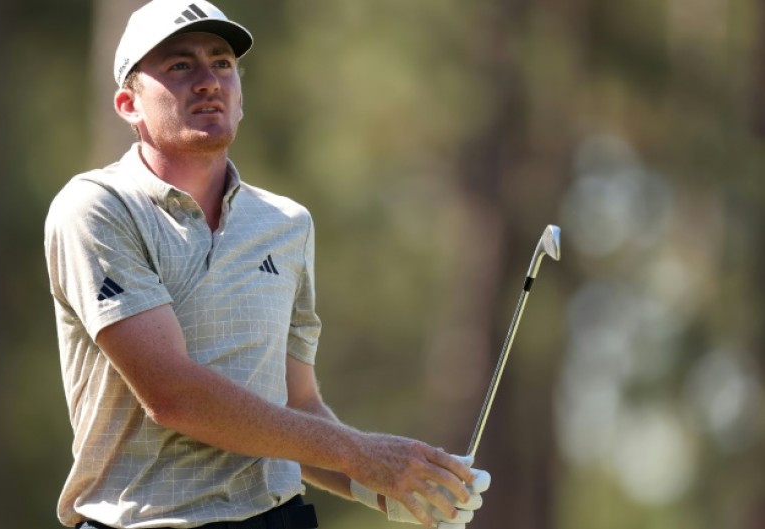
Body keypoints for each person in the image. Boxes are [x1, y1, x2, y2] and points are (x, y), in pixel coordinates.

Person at [44, 1, 491, 528]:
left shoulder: (286, 223)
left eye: (223, 63)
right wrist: (360, 454)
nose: (209, 80)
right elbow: (174, 396)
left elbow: (294, 407)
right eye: (180, 66)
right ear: (128, 103)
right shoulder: (97, 207)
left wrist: (385, 484)